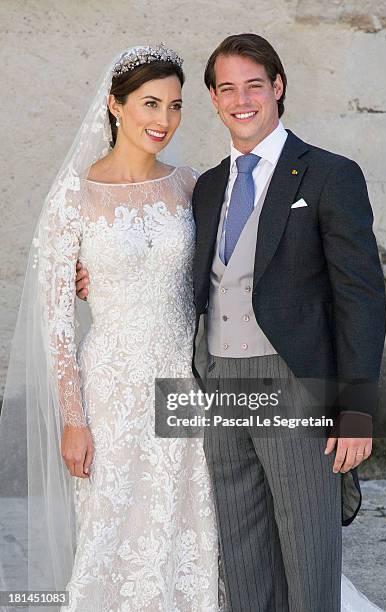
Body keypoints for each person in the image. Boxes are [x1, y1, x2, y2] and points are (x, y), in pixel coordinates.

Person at [75, 36, 386, 611]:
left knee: (307, 552)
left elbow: (361, 297)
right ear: (216, 100)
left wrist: (358, 407)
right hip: (215, 381)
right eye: (226, 89)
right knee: (240, 552)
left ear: (278, 88)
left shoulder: (329, 175)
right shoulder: (207, 185)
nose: (241, 100)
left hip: (293, 383)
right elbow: (163, 262)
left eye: (253, 85)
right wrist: (90, 273)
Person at [0, 44, 222, 612]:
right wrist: (73, 419)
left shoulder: (190, 186)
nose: (164, 121)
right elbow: (55, 320)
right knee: (113, 529)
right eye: (150, 103)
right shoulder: (73, 196)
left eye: (175, 106)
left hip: (182, 385)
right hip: (111, 391)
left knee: (190, 525)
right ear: (115, 105)